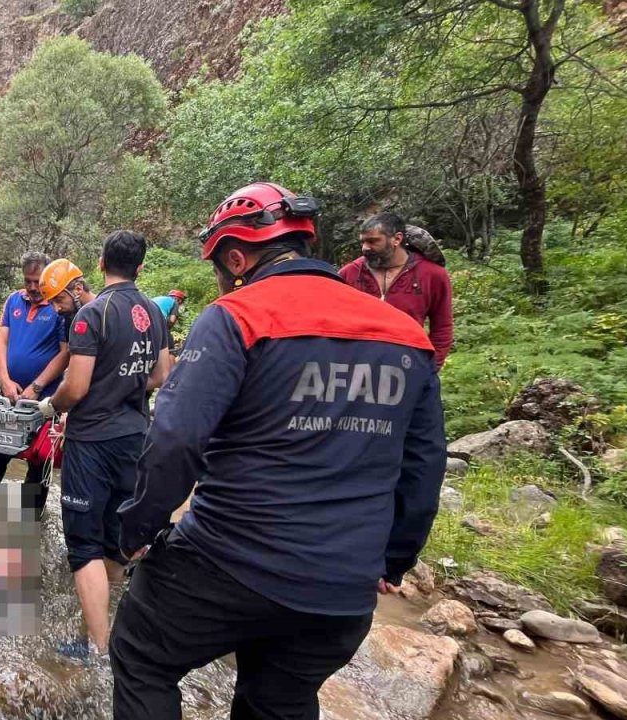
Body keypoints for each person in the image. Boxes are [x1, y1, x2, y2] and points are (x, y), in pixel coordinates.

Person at [111, 183, 446, 720]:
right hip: (342, 591)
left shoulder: (237, 315)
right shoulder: (406, 333)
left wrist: (137, 529)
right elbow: (424, 465)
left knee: (141, 654)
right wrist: (394, 558)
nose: (220, 279)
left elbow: (175, 439)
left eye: (219, 267)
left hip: (228, 560)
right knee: (280, 699)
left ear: (237, 257)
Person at [34, 231, 172, 658]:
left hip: (92, 438)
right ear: (141, 267)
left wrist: (50, 406)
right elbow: (161, 375)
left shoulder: (91, 315)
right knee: (115, 537)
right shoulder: (154, 309)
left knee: (83, 545)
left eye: (58, 300)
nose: (58, 308)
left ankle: (95, 646)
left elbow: (75, 387)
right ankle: (106, 626)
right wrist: (125, 388)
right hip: (136, 435)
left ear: (98, 264)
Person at [0, 252, 70, 508]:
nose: (32, 287)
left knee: (38, 470)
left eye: (37, 281)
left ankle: (30, 526)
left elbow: (66, 352)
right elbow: (1, 340)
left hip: (44, 402)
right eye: (27, 281)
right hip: (7, 398)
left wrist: (37, 386)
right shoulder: (13, 300)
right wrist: (5, 379)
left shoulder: (59, 305)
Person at [339, 213, 454, 370]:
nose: (365, 248)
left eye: (373, 241)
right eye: (363, 242)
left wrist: (430, 368)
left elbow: (442, 327)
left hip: (408, 365)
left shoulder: (432, 274)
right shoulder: (349, 273)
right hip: (356, 368)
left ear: (397, 239)